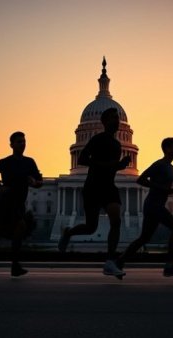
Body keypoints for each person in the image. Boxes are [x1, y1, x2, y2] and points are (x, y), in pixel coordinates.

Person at [58, 108, 131, 279]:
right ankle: (68, 233)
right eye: (113, 118)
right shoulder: (97, 139)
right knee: (91, 228)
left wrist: (121, 165)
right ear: (104, 122)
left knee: (116, 220)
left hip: (109, 186)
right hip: (93, 186)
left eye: (117, 118)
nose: (117, 121)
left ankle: (110, 261)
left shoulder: (117, 144)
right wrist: (108, 165)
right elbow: (82, 159)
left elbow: (112, 167)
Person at [116, 138, 173, 278]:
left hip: (156, 205)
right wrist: (162, 187)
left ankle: (119, 261)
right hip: (153, 205)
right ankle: (169, 265)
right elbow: (141, 179)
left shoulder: (171, 167)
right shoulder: (159, 164)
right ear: (167, 149)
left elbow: (164, 190)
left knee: (143, 238)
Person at [0, 131, 43, 277]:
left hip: (20, 201)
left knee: (18, 231)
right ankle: (15, 264)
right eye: (19, 141)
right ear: (11, 145)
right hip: (8, 200)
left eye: (24, 141)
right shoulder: (5, 162)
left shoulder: (29, 162)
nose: (22, 144)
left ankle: (14, 263)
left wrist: (34, 182)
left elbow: (39, 182)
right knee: (20, 226)